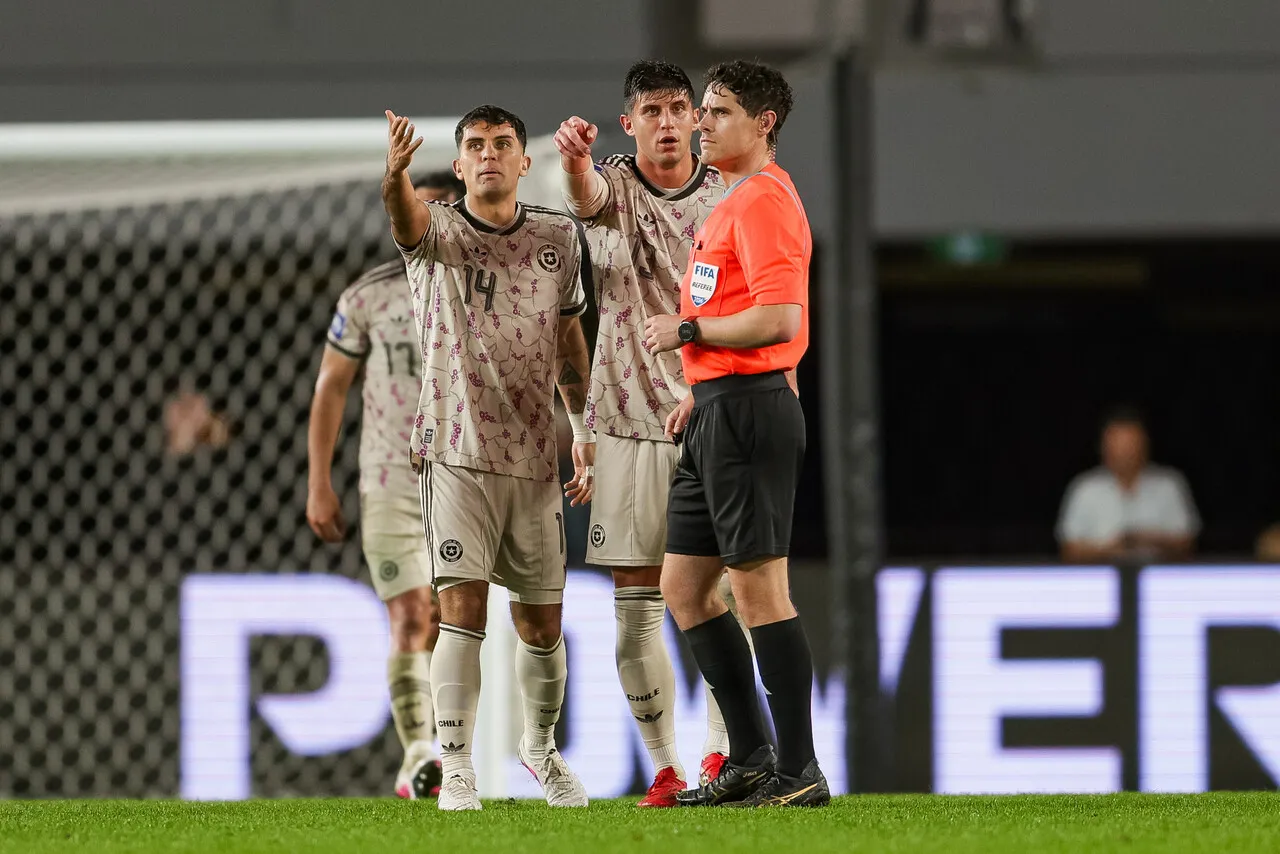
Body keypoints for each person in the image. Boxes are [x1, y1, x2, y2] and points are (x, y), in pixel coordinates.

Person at [382, 104, 594, 811]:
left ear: (523, 161)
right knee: (460, 610)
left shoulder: (557, 238)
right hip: (454, 451)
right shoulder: (436, 231)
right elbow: (404, 217)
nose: (490, 154)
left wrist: (582, 426)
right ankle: (457, 764)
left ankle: (539, 748)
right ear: (463, 163)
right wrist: (396, 174)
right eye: (476, 145)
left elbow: (568, 340)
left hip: (533, 458)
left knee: (543, 625)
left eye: (503, 144)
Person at [643, 60, 829, 808]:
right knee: (684, 587)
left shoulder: (762, 203)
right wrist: (702, 384)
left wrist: (687, 329)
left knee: (759, 593)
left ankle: (800, 770)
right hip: (720, 406)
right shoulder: (730, 202)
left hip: (749, 412)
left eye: (719, 112)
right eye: (705, 110)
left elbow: (782, 322)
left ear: (764, 125)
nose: (701, 123)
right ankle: (749, 757)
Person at [554, 59, 735, 807]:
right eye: (650, 111)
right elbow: (587, 196)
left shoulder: (730, 194)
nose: (666, 122)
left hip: (715, 413)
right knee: (636, 596)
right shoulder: (615, 186)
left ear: (696, 118)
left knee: (722, 592)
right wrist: (570, 160)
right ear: (629, 124)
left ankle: (724, 754)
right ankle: (663, 764)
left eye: (677, 108)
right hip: (627, 418)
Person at [307, 170, 464, 800]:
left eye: (439, 211)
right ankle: (420, 752)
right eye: (416, 209)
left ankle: (473, 748)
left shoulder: (487, 284)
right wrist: (319, 480)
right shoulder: (367, 295)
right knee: (407, 612)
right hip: (390, 475)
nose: (425, 221)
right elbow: (331, 387)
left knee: (456, 617)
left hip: (470, 471)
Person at [1057, 408, 1200, 562]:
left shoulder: (1169, 485)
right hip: (1100, 579)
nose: (1125, 453)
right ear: (1104, 447)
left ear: (1145, 445)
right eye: (1118, 445)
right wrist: (1110, 549)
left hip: (1158, 579)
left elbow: (1188, 544)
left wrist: (1146, 539)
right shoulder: (1084, 489)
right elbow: (1068, 549)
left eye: (1131, 444)